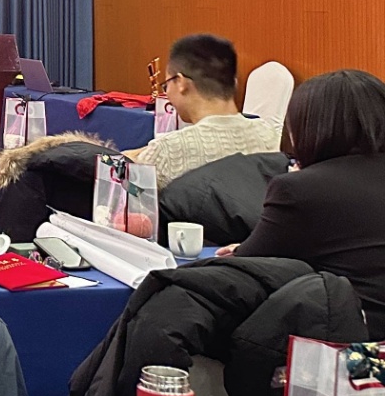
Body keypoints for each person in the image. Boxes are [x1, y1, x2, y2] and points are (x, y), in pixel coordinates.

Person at [218, 69, 385, 331]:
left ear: (308, 128)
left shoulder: (300, 188)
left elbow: (246, 265)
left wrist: (238, 252)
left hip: (352, 337)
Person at [126, 34, 282, 182]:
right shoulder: (268, 136)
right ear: (234, 83)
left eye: (166, 85)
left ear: (181, 83)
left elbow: (132, 191)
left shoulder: (166, 152)